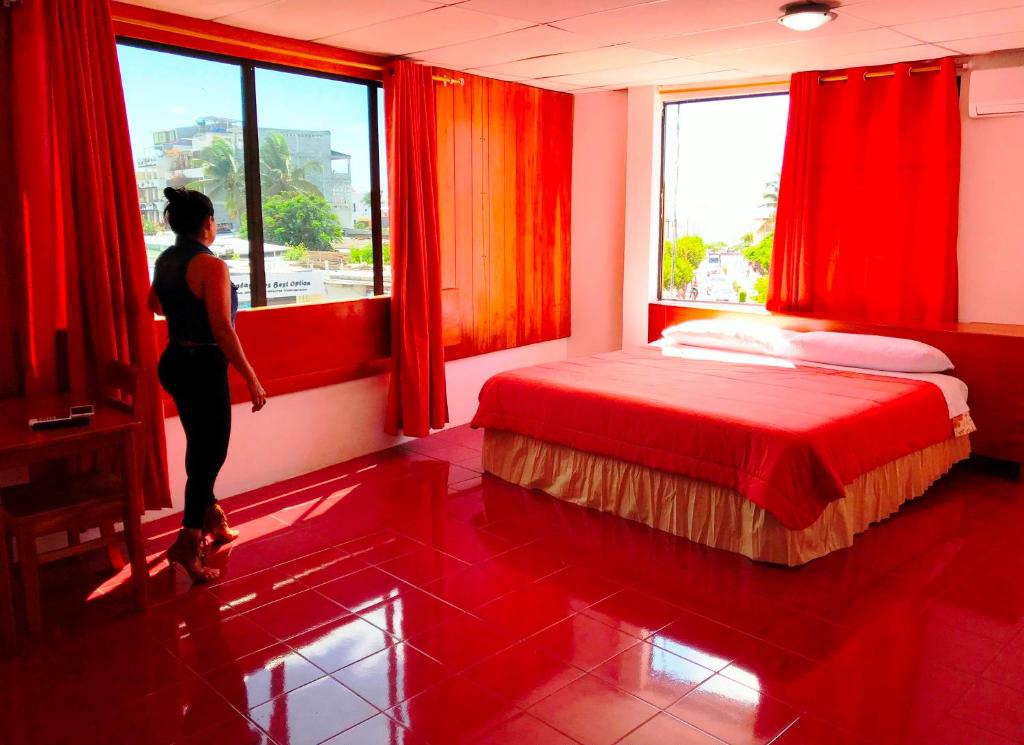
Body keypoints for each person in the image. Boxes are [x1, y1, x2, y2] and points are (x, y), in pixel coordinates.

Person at [149, 187, 267, 583]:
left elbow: (156, 304)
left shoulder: (166, 259)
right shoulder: (210, 265)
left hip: (174, 361)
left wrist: (185, 309)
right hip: (203, 365)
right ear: (207, 223)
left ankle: (211, 515)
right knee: (210, 453)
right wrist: (251, 377)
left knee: (199, 448)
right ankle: (188, 539)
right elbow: (222, 328)